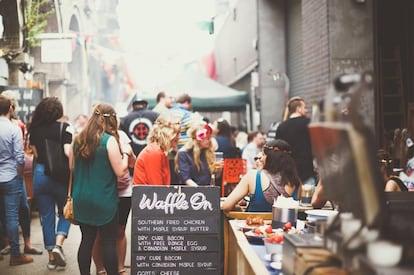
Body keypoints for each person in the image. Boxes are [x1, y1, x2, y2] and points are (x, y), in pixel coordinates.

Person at [71, 103, 131, 275]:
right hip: (103, 199)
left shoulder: (78, 139)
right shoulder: (109, 141)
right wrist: (125, 154)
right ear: (111, 119)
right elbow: (120, 171)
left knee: (87, 240)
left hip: (81, 197)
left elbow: (71, 167)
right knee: (108, 241)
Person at [28, 97, 72, 270]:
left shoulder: (34, 130)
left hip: (40, 174)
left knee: (46, 216)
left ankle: (51, 258)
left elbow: (36, 154)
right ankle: (58, 245)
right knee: (66, 212)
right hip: (60, 176)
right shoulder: (65, 128)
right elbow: (68, 153)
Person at [0, 91, 41, 257]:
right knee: (13, 215)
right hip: (12, 176)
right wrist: (20, 175)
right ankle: (16, 254)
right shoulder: (13, 128)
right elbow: (20, 157)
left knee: (10, 212)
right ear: (11, 108)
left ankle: (19, 246)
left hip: (7, 176)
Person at [222, 139, 302, 212]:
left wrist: (238, 209)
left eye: (263, 155)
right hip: (286, 227)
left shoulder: (253, 176)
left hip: (254, 226)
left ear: (271, 157)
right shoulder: (296, 181)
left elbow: (226, 206)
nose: (261, 159)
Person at [276, 96, 316, 186]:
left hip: (288, 173)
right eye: (304, 107)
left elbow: (278, 150)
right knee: (308, 198)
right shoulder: (309, 123)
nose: (306, 110)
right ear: (298, 109)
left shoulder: (281, 127)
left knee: (290, 199)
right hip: (306, 170)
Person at [133, 113, 181, 185]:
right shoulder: (154, 153)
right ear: (168, 134)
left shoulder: (159, 151)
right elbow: (156, 187)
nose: (179, 137)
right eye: (177, 133)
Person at [176, 122, 217, 186]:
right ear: (197, 139)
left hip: (207, 190)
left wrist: (218, 169)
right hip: (190, 192)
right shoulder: (184, 154)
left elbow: (214, 176)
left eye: (210, 137)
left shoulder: (207, 152)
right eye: (207, 138)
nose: (210, 140)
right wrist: (199, 191)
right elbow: (186, 178)